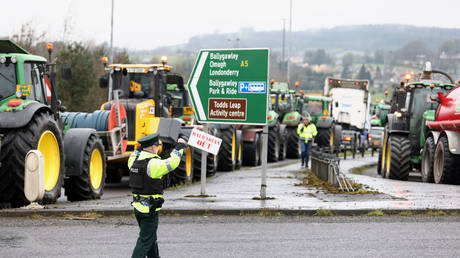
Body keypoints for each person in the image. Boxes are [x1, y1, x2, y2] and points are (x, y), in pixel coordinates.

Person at [128, 133, 187, 258]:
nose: (158, 148)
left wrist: (140, 147)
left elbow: (135, 153)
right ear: (153, 147)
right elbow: (172, 162)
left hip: (138, 207)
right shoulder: (153, 164)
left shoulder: (133, 161)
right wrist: (180, 146)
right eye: (157, 146)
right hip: (150, 210)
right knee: (145, 241)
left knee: (150, 239)